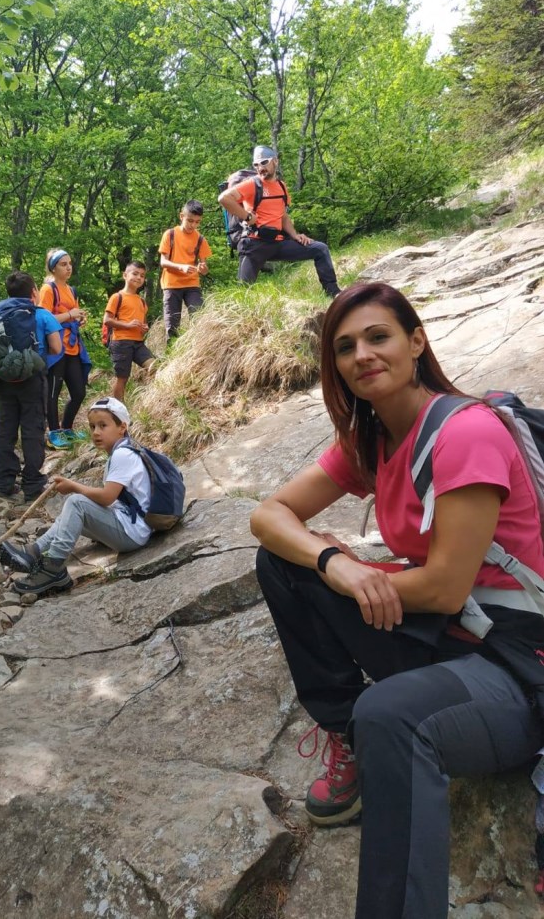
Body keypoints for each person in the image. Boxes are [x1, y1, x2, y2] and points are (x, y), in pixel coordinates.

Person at [250, 280, 544, 919]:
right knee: (284, 561)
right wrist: (336, 564)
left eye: (378, 337)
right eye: (345, 347)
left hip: (517, 667)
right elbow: (270, 516)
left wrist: (360, 572)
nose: (362, 355)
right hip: (449, 642)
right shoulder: (372, 443)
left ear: (415, 342)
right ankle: (346, 735)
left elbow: (443, 587)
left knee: (391, 714)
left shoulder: (465, 434)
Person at [0, 397, 154, 597]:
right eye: (92, 426)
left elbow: (107, 498)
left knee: (76, 502)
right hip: (128, 525)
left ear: (122, 427)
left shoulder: (123, 455)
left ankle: (52, 568)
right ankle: (33, 552)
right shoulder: (124, 451)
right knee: (74, 510)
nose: (96, 432)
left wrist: (74, 487)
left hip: (132, 533)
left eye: (103, 426)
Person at [218, 146, 340, 294]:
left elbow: (283, 215)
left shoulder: (282, 187)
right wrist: (247, 216)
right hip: (254, 244)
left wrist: (295, 235)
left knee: (320, 249)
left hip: (278, 242)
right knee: (243, 293)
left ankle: (334, 293)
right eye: (256, 165)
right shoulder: (252, 184)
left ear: (275, 161)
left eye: (264, 162)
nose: (260, 167)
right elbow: (224, 198)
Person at [0, 271, 62, 501]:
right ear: (33, 293)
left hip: (6, 378)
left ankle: (3, 482)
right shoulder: (42, 315)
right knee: (33, 428)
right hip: (33, 377)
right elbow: (57, 348)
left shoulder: (1, 314)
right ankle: (32, 483)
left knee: (5, 427)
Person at [38, 248, 90, 440]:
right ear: (53, 268)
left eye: (70, 264)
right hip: (55, 348)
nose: (69, 268)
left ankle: (67, 429)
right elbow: (42, 318)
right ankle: (53, 432)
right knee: (53, 391)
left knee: (79, 391)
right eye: (63, 264)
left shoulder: (71, 290)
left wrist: (79, 320)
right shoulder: (48, 289)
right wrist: (70, 315)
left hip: (73, 347)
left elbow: (73, 315)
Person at [158, 200, 212, 339]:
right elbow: (163, 262)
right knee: (172, 326)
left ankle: (198, 349)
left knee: (200, 318)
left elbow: (204, 270)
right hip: (171, 285)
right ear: (181, 216)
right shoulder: (170, 235)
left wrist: (203, 268)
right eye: (190, 220)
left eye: (197, 222)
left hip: (192, 284)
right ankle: (172, 355)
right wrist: (181, 266)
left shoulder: (200, 239)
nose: (193, 225)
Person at [103, 260, 156, 402]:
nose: (139, 277)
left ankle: (149, 400)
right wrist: (128, 325)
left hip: (138, 343)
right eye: (135, 273)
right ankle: (118, 410)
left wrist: (144, 328)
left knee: (154, 367)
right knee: (122, 379)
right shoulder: (117, 297)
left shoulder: (142, 301)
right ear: (125, 275)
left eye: (142, 275)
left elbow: (142, 324)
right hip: (120, 342)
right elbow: (107, 320)